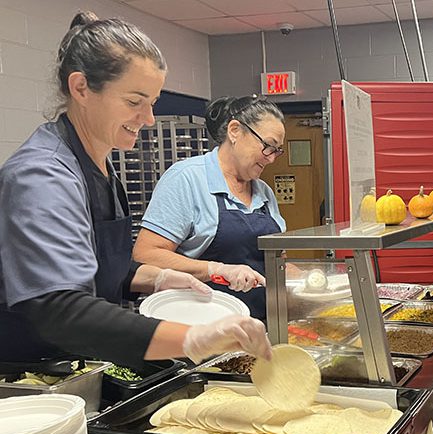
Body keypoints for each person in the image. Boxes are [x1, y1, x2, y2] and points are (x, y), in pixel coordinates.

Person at [0, 12, 271, 369]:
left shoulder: (102, 166)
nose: (148, 119)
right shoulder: (43, 175)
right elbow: (58, 307)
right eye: (134, 102)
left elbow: (96, 267)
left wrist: (156, 278)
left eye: (153, 102)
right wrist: (191, 338)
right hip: (29, 377)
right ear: (81, 88)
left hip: (82, 359)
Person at [133, 95, 287, 319]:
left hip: (259, 324)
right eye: (268, 146)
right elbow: (146, 254)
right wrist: (217, 270)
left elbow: (275, 262)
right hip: (201, 328)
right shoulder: (186, 179)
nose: (272, 159)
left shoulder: (263, 192)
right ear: (235, 131)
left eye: (277, 151)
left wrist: (313, 281)